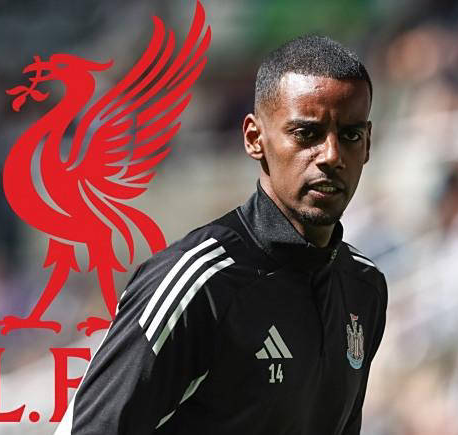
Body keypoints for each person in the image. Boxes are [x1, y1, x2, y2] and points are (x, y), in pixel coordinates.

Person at [56, 34, 387, 435]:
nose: (331, 155)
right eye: (306, 133)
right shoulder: (198, 284)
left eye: (350, 135)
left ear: (367, 144)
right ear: (254, 138)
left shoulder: (364, 287)